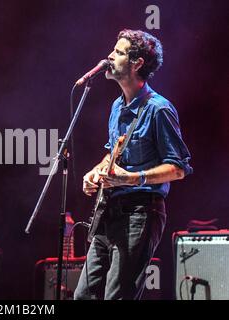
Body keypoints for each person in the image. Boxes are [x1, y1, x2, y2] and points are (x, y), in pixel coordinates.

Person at [74, 29, 192, 300]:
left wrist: (131, 178)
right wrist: (97, 170)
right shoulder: (117, 106)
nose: (110, 55)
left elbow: (178, 168)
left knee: (117, 296)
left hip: (141, 213)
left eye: (118, 52)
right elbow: (113, 152)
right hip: (109, 212)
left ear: (137, 63)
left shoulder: (159, 109)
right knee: (82, 296)